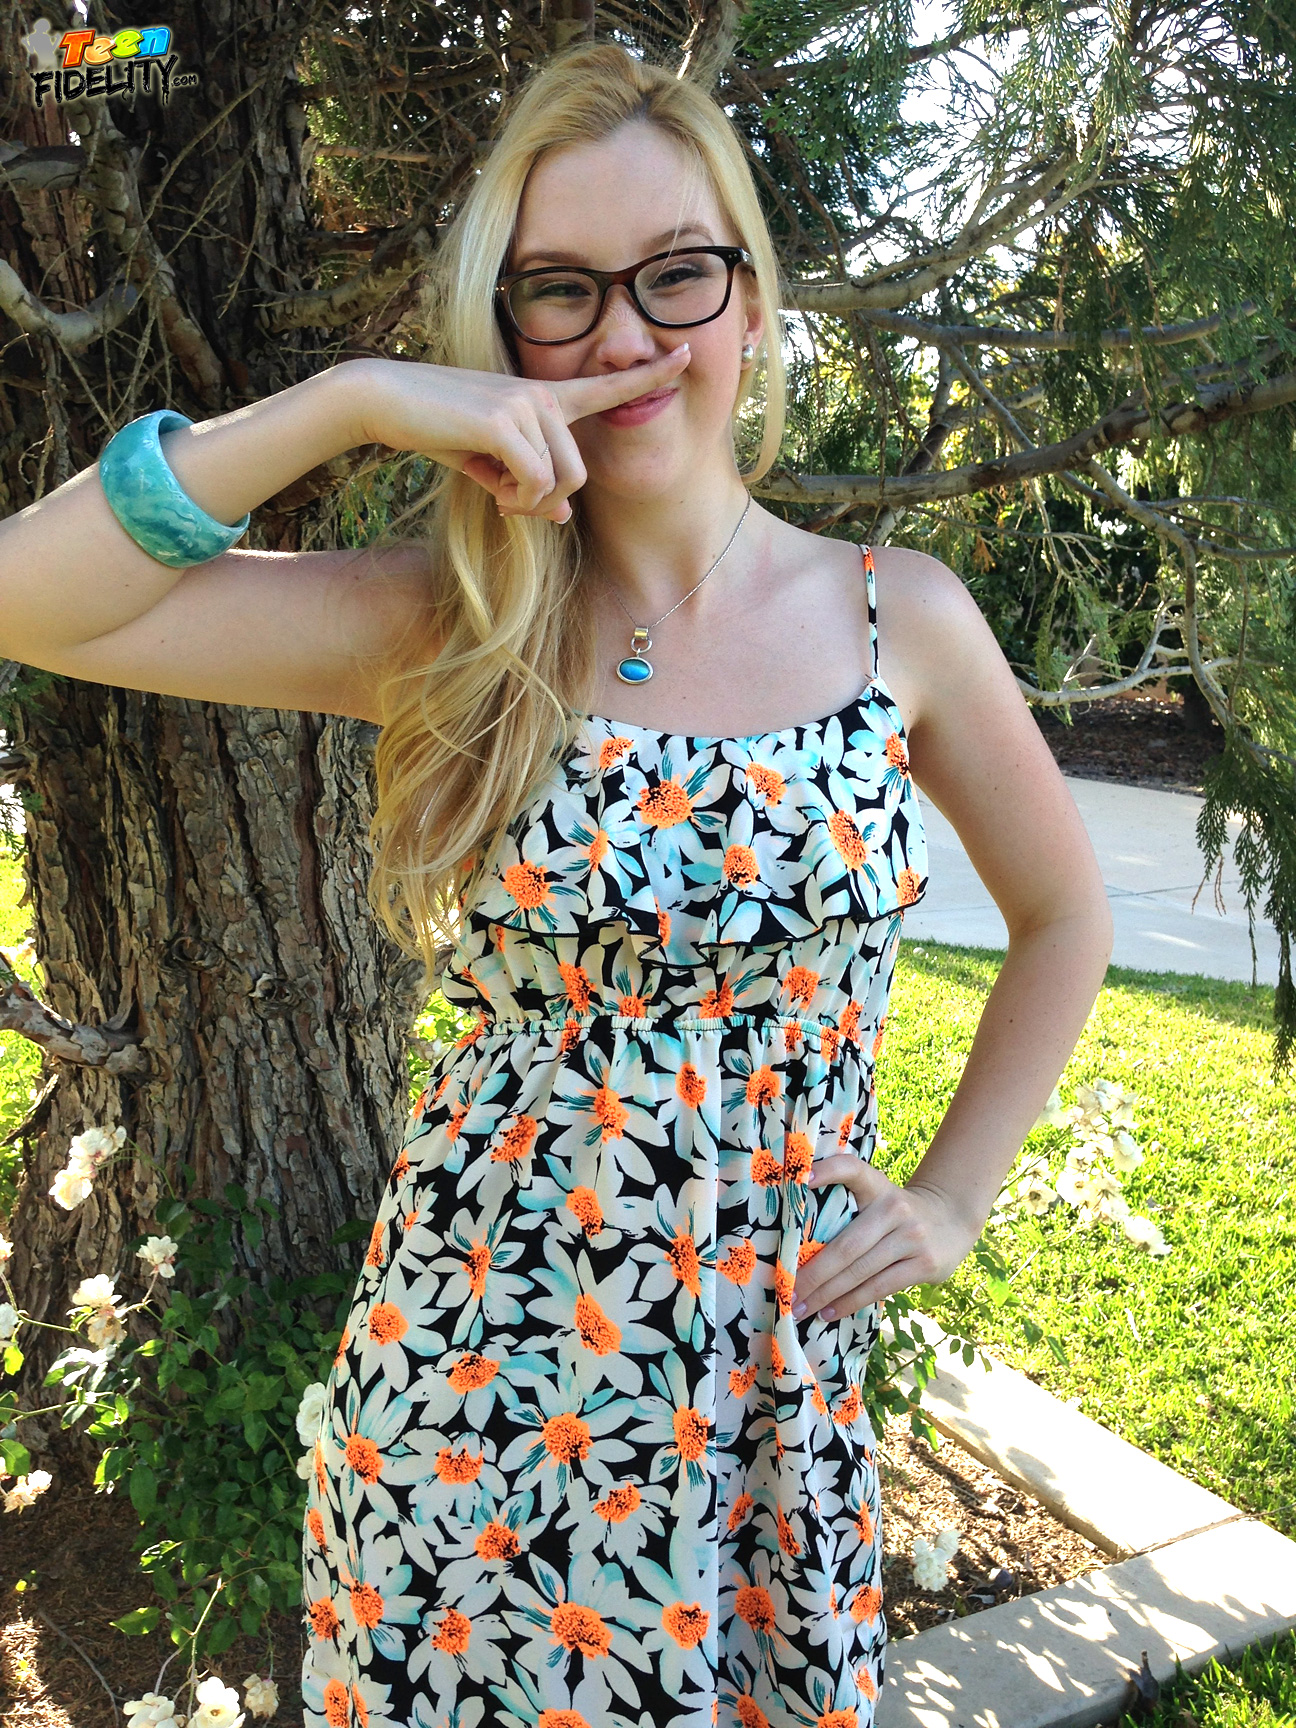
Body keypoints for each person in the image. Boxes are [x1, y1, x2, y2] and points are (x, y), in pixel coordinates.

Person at [0, 42, 1113, 1728]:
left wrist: (954, 1200)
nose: (623, 332)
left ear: (751, 304)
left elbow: (1066, 918)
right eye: (560, 290)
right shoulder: (445, 628)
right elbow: (30, 597)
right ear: (505, 331)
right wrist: (348, 400)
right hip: (471, 1397)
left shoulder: (904, 619)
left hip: (764, 1398)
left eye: (676, 272)